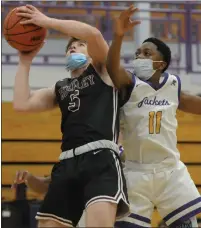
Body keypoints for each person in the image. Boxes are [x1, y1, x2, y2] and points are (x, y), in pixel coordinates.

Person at [14, 4, 133, 228]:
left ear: (91, 53)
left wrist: (46, 21)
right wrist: (25, 61)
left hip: (101, 158)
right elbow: (21, 103)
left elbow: (94, 34)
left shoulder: (103, 71)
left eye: (79, 45)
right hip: (67, 161)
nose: (73, 48)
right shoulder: (60, 87)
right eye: (70, 47)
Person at [106, 5, 201, 228]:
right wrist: (119, 36)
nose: (140, 56)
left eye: (147, 53)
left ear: (162, 63)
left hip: (170, 171)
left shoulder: (173, 86)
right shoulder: (129, 84)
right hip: (135, 172)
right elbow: (111, 67)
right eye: (138, 53)